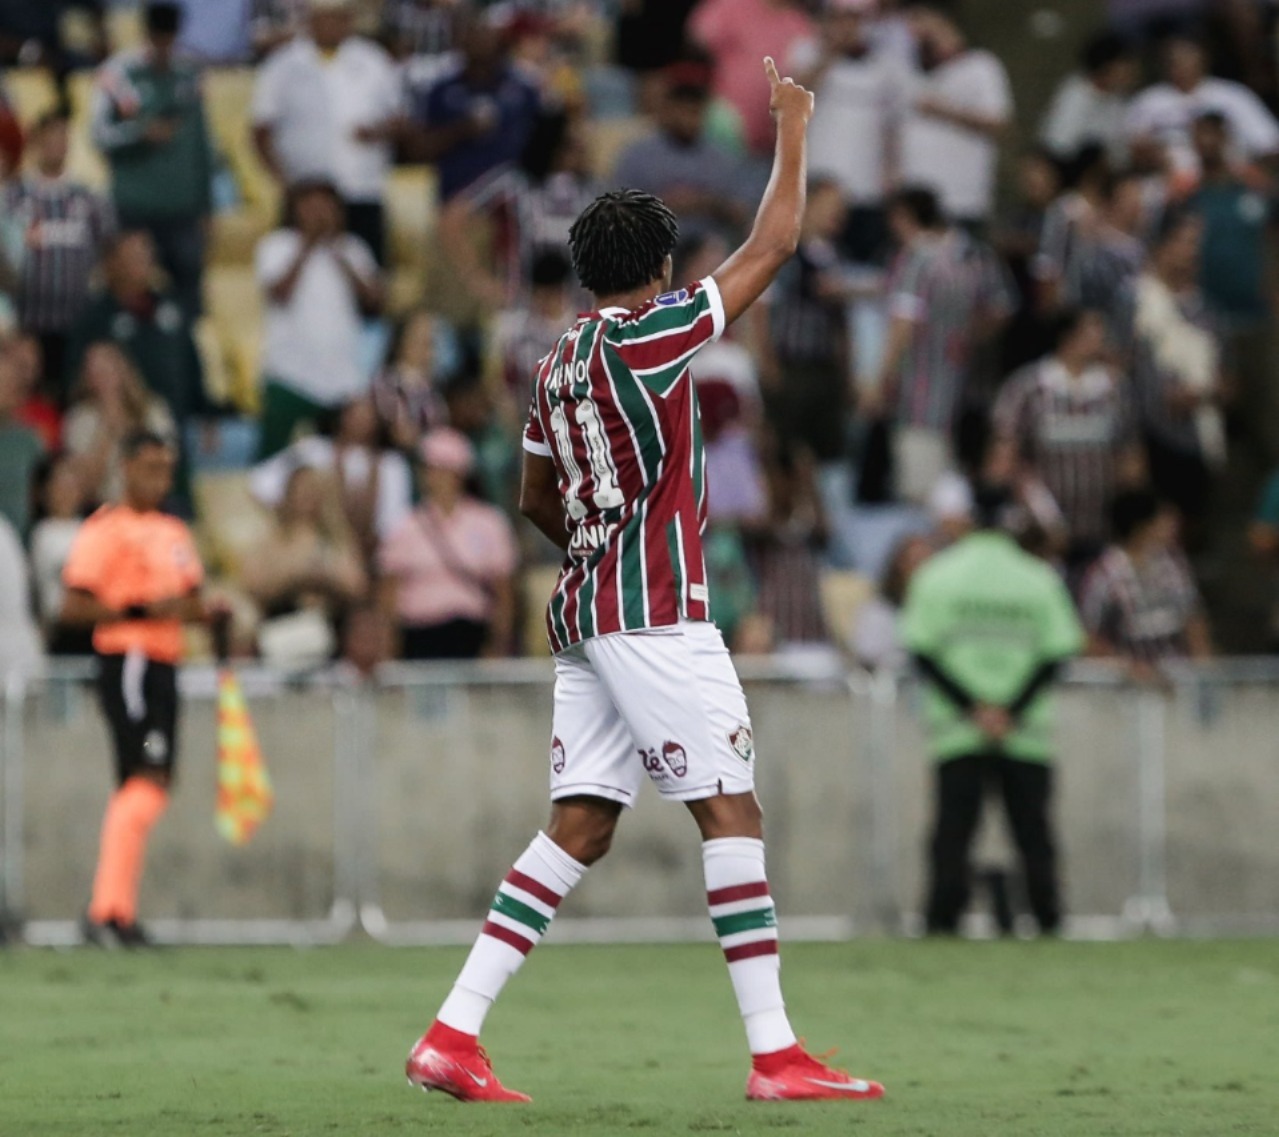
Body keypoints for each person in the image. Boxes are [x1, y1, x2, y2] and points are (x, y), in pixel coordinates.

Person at [404, 58, 884, 1105]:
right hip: (655, 611)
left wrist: (589, 542)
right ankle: (774, 1053)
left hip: (584, 608)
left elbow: (535, 491)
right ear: (659, 269)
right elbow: (773, 245)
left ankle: (452, 1032)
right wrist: (792, 127)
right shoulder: (652, 335)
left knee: (581, 824)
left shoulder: (555, 361)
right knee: (731, 810)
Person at [901, 482, 1084, 936]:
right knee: (1033, 835)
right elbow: (1058, 652)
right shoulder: (1038, 577)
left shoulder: (938, 575)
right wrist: (1010, 711)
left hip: (958, 729)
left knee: (953, 835)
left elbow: (922, 652)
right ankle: (1047, 920)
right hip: (1024, 730)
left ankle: (942, 922)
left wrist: (974, 710)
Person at [60, 430, 208, 946]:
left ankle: (115, 911)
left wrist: (185, 610)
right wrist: (138, 610)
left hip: (164, 664)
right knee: (147, 776)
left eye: (166, 469)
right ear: (125, 469)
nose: (160, 479)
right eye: (149, 467)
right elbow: (73, 606)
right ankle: (106, 911)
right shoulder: (105, 530)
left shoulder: (174, 531)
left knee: (146, 782)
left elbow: (194, 601)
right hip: (130, 661)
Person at [869, 185, 1013, 504]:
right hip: (969, 399)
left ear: (903, 218)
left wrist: (881, 383)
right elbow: (1001, 310)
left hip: (920, 402)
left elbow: (902, 328)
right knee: (960, 498)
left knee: (920, 497)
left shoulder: (918, 259)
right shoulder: (976, 256)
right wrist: (963, 336)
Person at [252, 0, 404, 264]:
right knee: (299, 271)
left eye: (339, 18)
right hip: (304, 195)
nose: (332, 26)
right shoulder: (283, 65)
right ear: (310, 21)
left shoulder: (373, 61)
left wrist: (377, 132)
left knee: (366, 275)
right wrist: (284, 182)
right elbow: (261, 131)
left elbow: (401, 119)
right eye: (325, 19)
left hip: (360, 188)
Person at [993, 309, 1145, 572]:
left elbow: (1130, 456)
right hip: (1042, 533)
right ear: (1068, 337)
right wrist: (1041, 515)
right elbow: (1006, 458)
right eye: (1092, 331)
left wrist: (1131, 517)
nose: (1101, 339)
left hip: (1101, 528)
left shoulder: (1116, 391)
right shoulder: (1027, 388)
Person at [90, 2, 214, 318]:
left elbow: (202, 144)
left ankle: (182, 361)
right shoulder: (120, 74)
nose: (164, 47)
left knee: (187, 299)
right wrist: (140, 133)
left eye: (169, 39)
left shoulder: (189, 76)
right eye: (158, 38)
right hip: (134, 207)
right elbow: (100, 135)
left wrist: (206, 203)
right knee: (127, 293)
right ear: (147, 34)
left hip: (182, 208)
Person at [255, 179, 384, 459]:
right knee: (272, 462)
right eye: (310, 205)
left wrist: (340, 254)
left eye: (326, 204)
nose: (319, 212)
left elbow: (374, 301)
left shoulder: (352, 248)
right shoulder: (276, 245)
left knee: (346, 462)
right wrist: (308, 246)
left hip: (343, 380)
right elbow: (279, 293)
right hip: (290, 375)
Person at [1184, 111, 1278, 456]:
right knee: (1214, 409)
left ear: (1225, 138)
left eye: (1213, 134)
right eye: (1199, 134)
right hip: (1204, 321)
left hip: (1256, 316)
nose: (1207, 142)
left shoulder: (1256, 191)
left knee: (1266, 403)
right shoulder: (1187, 197)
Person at [378, 428, 518, 660]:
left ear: (460, 474)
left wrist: (497, 647)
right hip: (417, 637)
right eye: (431, 469)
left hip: (472, 635)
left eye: (444, 470)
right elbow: (388, 595)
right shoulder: (404, 525)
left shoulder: (489, 522)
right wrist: (389, 652)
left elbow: (503, 593)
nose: (436, 477)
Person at [0, 109, 116, 386]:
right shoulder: (12, 198)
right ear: (36, 141)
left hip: (76, 323)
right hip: (24, 323)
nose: (56, 145)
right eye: (49, 137)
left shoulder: (89, 200)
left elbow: (110, 248)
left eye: (62, 137)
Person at [789, 0, 909, 265]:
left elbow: (894, 126)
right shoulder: (806, 51)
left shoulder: (887, 65)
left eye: (854, 19)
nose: (847, 26)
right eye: (840, 18)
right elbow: (793, 96)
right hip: (818, 186)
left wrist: (893, 176)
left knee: (859, 265)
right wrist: (831, 52)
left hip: (867, 189)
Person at [439, 108, 598, 308]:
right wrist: (477, 279)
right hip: (519, 307)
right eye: (573, 146)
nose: (582, 151)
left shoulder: (590, 190)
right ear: (555, 145)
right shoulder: (512, 183)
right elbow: (452, 218)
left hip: (575, 310)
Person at [1130, 212, 1223, 533]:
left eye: (1196, 243)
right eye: (1184, 241)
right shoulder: (1136, 300)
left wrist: (1202, 393)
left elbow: (1229, 380)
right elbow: (1116, 363)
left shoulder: (1207, 312)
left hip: (1193, 441)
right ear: (1161, 246)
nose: (1191, 250)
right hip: (1145, 437)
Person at [612, 55, 753, 242]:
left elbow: (742, 214)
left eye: (695, 109)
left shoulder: (721, 159)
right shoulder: (637, 155)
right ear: (667, 108)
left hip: (706, 247)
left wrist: (707, 203)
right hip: (652, 246)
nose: (688, 117)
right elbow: (615, 213)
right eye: (682, 107)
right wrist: (662, 204)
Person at [898, 1, 1013, 231]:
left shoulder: (981, 66)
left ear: (941, 18)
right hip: (916, 203)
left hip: (960, 200)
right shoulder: (910, 68)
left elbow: (1000, 123)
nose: (911, 28)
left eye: (917, 18)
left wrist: (944, 111)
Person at [407, 12, 541, 203]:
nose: (480, 40)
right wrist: (462, 128)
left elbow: (542, 145)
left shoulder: (523, 89)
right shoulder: (442, 90)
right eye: (473, 34)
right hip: (455, 199)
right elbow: (418, 150)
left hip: (510, 201)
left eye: (486, 34)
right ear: (462, 42)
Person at [1080, 488, 1210, 679]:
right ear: (1142, 527)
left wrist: (1205, 671)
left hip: (1177, 679)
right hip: (1125, 685)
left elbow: (1193, 620)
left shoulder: (1174, 566)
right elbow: (1089, 637)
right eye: (1163, 520)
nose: (1173, 526)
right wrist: (1130, 670)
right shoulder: (1104, 574)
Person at [241, 463, 367, 652]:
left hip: (331, 628)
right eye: (300, 490)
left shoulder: (338, 538)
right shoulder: (271, 540)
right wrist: (295, 579)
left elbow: (357, 587)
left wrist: (324, 580)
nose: (306, 496)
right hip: (282, 627)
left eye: (312, 489)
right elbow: (254, 585)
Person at [1125, 32, 1279, 177]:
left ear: (1203, 57)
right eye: (1173, 58)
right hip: (1170, 183)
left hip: (1230, 180)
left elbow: (1269, 144)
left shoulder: (1233, 95)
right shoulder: (1148, 101)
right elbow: (1131, 150)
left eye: (1186, 56)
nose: (1179, 63)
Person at [689, 0, 815, 156]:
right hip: (722, 122)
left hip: (768, 140)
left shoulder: (801, 25)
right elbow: (698, 39)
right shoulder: (734, 6)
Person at [62, 340, 176, 506]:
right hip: (101, 509)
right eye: (95, 370)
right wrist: (107, 430)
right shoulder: (79, 419)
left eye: (107, 366)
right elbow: (85, 485)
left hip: (149, 507)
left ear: (123, 368)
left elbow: (164, 468)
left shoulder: (153, 411)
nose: (102, 375)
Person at [1039, 30, 1139, 167]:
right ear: (1107, 66)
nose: (1132, 70)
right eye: (1126, 64)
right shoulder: (1076, 94)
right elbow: (1059, 145)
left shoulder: (1119, 100)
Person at [29, 453, 93, 655]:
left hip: (93, 627)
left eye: (71, 484)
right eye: (59, 485)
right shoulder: (40, 534)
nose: (66, 492)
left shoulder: (92, 530)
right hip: (59, 631)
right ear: (45, 491)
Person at [850, 531, 931, 670]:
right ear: (900, 565)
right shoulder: (879, 610)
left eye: (928, 562)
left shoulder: (942, 607)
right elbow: (868, 653)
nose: (922, 570)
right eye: (915, 562)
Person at [0, 343, 46, 537]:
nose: (12, 389)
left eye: (15, 383)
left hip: (20, 544)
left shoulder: (29, 439)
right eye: (4, 382)